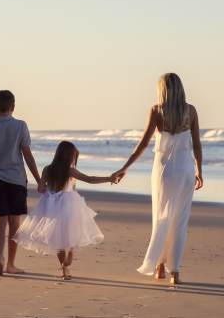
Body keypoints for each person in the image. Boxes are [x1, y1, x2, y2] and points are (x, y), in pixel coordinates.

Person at [112, 73, 204, 285]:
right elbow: (197, 144)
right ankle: (175, 272)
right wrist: (200, 170)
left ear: (162, 89)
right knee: (180, 220)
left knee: (161, 216)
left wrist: (125, 167)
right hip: (185, 168)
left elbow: (143, 144)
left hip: (164, 170)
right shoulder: (190, 111)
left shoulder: (156, 110)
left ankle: (159, 266)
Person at [15, 141, 114, 280]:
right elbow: (90, 179)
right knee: (72, 230)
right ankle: (71, 251)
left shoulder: (47, 169)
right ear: (69, 156)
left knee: (57, 237)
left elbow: (40, 189)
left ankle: (64, 269)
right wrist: (109, 178)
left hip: (50, 205)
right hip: (69, 203)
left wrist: (48, 189)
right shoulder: (70, 170)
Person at [0, 90, 44, 276]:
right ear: (13, 107)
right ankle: (11, 264)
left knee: (0, 221)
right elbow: (28, 156)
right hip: (16, 180)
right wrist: (39, 180)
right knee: (15, 222)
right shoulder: (21, 126)